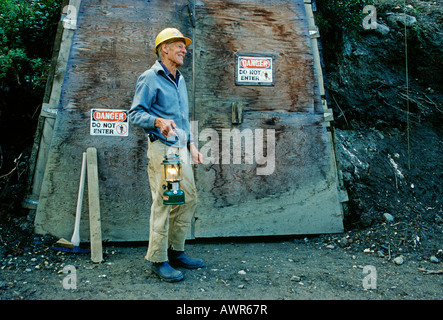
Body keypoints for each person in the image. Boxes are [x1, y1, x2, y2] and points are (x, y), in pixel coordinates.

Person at [129, 28, 204, 282]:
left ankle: (176, 251)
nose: (184, 50)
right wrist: (157, 120)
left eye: (185, 46)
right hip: (164, 152)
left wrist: (192, 144)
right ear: (164, 49)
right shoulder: (150, 78)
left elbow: (182, 118)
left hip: (180, 150)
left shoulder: (180, 79)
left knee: (188, 197)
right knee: (165, 201)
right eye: (179, 45)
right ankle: (157, 258)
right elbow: (135, 114)